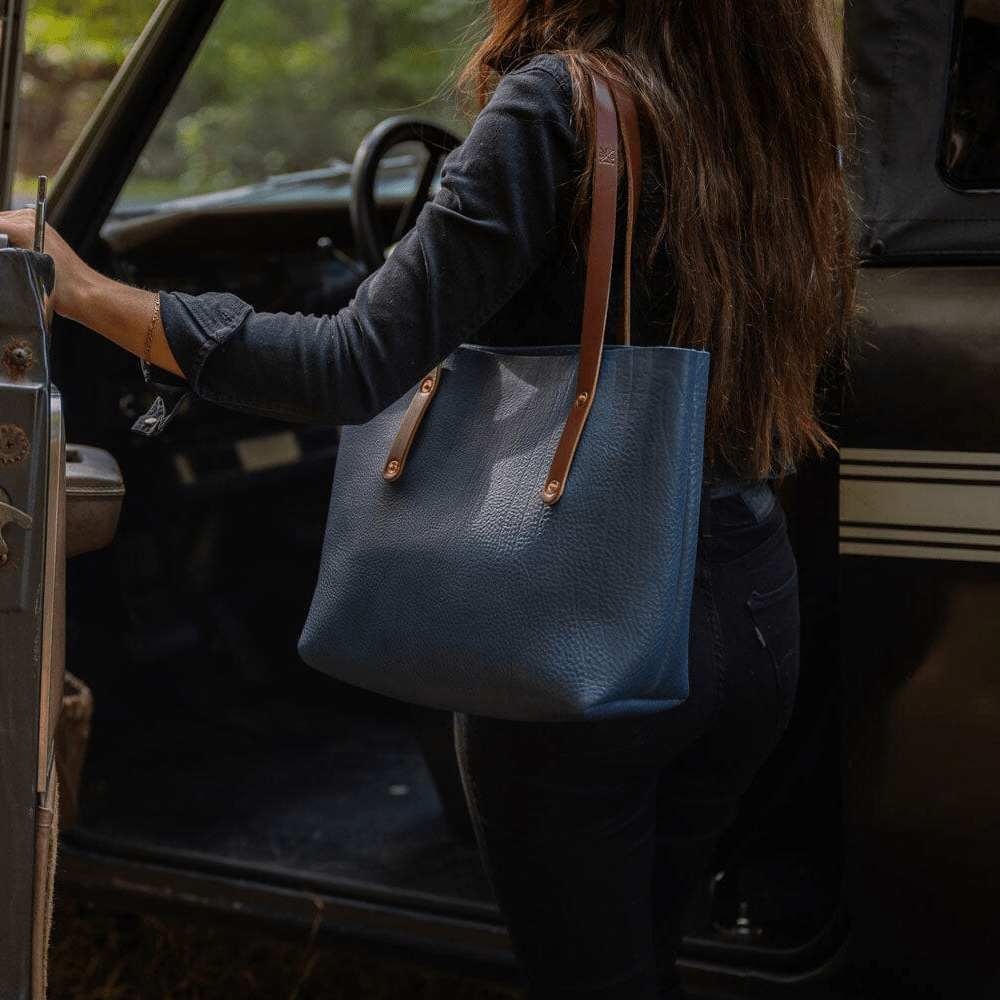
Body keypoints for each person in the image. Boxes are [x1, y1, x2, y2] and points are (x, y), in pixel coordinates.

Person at [1, 1, 856, 996]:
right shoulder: (776, 104)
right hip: (752, 617)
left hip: (580, 624)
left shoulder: (558, 105)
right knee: (645, 954)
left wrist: (76, 286)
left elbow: (353, 364)